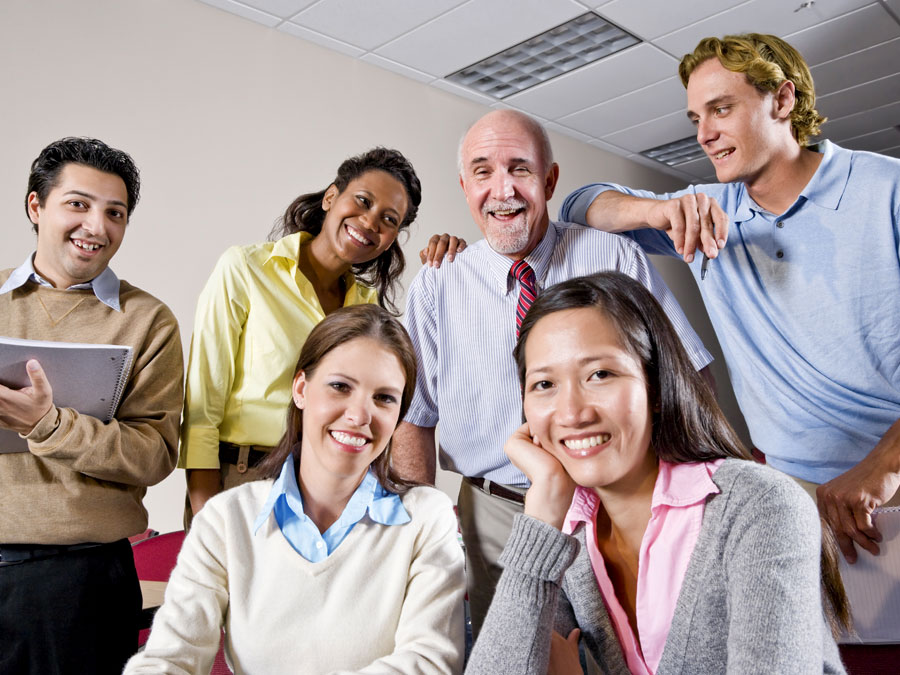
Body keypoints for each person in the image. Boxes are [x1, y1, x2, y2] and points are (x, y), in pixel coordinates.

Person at [559, 33, 900, 564]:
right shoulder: (705, 211)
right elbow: (580, 205)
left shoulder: (887, 190)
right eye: (696, 118)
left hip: (889, 475)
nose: (705, 134)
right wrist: (654, 213)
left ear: (782, 100)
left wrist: (885, 466)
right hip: (789, 486)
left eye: (720, 109)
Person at [393, 109, 713, 636]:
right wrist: (418, 531)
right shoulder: (438, 285)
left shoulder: (612, 254)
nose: (503, 190)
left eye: (520, 168)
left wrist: (684, 495)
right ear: (464, 185)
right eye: (482, 171)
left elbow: (688, 375)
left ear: (549, 180)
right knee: (515, 656)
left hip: (614, 505)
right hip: (496, 515)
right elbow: (415, 416)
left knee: (630, 650)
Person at [467, 272, 847, 675]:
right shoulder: (570, 531)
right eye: (544, 383)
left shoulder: (759, 506)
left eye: (600, 374)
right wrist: (541, 519)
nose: (572, 413)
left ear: (658, 388)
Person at [126, 305, 465, 675]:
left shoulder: (427, 518)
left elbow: (429, 662)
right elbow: (171, 657)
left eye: (384, 398)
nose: (359, 415)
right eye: (340, 386)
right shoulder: (226, 518)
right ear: (301, 388)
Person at [181, 148, 463, 520]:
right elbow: (202, 410)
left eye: (388, 219)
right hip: (243, 480)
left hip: (329, 486)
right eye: (363, 201)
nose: (369, 221)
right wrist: (205, 516)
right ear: (332, 197)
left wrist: (452, 259)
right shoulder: (246, 270)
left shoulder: (366, 307)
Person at [0, 138, 183, 674]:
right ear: (37, 207)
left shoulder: (148, 320)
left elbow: (154, 456)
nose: (97, 227)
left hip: (79, 583)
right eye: (78, 204)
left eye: (115, 213)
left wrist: (49, 425)